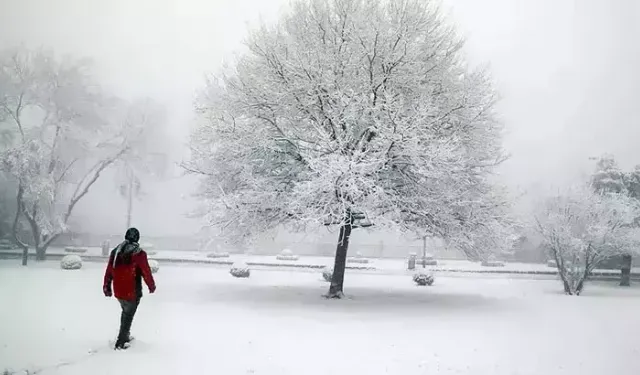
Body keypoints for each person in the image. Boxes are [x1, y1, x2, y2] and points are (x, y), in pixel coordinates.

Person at [103, 227, 156, 350]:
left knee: (126, 313)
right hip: (133, 292)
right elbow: (145, 271)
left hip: (119, 291)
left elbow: (109, 270)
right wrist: (151, 286)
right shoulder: (139, 254)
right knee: (128, 315)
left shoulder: (116, 252)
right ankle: (121, 342)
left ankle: (125, 335)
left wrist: (107, 287)